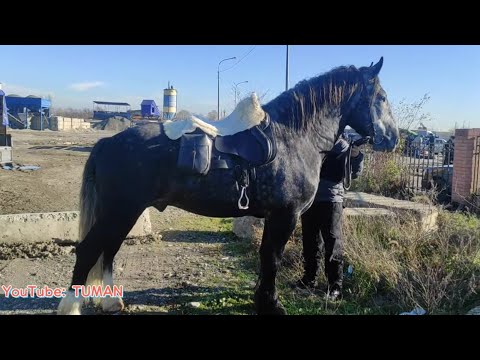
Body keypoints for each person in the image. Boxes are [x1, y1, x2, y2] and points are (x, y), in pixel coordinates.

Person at [298, 134, 366, 301]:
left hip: (331, 200)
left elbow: (354, 173)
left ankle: (335, 286)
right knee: (310, 240)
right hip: (309, 198)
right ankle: (309, 279)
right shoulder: (312, 141)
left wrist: (356, 155)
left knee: (333, 242)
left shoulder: (342, 146)